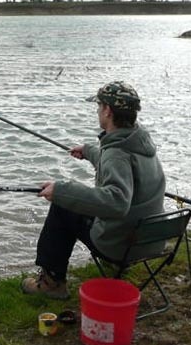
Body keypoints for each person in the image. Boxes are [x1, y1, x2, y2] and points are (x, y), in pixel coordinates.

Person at [21, 80, 166, 299]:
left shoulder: (116, 153)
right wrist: (90, 152)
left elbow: (116, 202)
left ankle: (52, 283)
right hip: (150, 239)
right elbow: (119, 165)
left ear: (108, 111)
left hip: (121, 245)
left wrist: (60, 191)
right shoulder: (139, 143)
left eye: (99, 107)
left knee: (62, 208)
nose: (98, 111)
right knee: (73, 199)